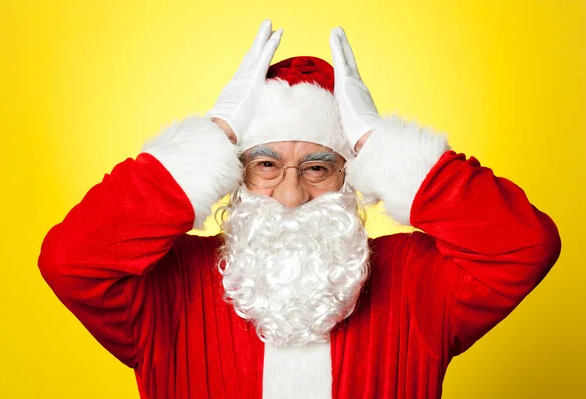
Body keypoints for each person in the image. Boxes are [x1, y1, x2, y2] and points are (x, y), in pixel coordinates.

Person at [38, 19, 561, 399]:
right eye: (265, 165)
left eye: (317, 168)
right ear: (234, 174)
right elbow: (70, 260)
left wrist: (380, 141)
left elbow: (525, 246)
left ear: (348, 175)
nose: (291, 196)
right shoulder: (167, 289)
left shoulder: (416, 281)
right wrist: (214, 134)